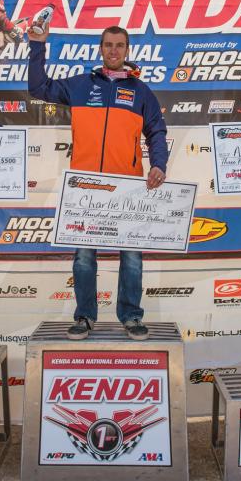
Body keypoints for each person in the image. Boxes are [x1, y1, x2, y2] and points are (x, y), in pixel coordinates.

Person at [27, 22, 169, 341]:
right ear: (101, 49)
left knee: (131, 257)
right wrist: (37, 46)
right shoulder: (80, 85)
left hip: (128, 188)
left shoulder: (140, 91)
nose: (114, 50)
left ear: (127, 51)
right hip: (85, 187)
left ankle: (131, 316)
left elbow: (157, 132)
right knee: (84, 257)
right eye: (108, 45)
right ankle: (85, 317)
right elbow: (38, 88)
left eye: (120, 45)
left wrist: (158, 163)